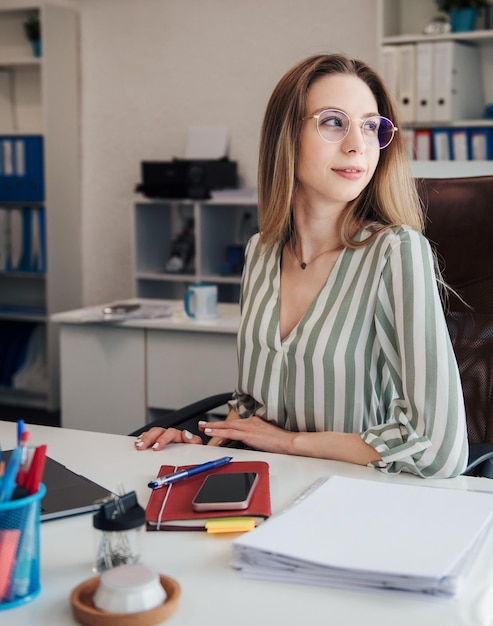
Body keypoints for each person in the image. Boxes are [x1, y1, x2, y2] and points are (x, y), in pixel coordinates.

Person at [135, 53, 468, 478]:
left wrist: (292, 444)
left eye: (370, 126)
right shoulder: (260, 252)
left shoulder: (396, 251)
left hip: (357, 501)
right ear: (286, 136)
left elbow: (441, 451)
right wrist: (199, 445)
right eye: (333, 122)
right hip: (268, 486)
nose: (357, 144)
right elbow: (252, 412)